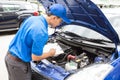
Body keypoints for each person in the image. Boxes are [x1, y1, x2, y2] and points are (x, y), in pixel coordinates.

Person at [5, 4, 71, 80]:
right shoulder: (41, 32)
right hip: (18, 63)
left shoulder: (33, 19)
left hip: (11, 57)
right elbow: (35, 57)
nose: (60, 24)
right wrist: (50, 53)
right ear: (54, 18)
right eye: (61, 21)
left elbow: (28, 35)